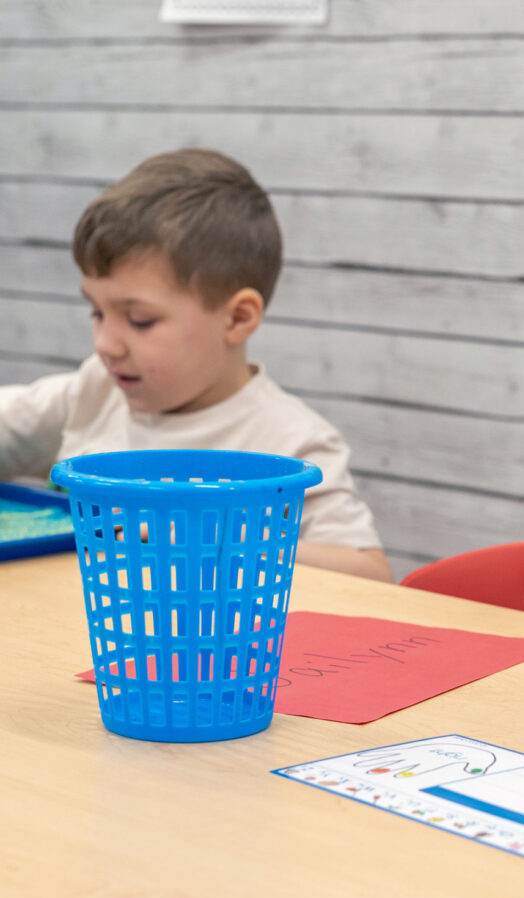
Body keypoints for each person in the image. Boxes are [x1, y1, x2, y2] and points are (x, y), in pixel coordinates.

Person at [0, 148, 393, 582]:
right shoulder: (97, 389)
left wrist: (206, 535)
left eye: (139, 320)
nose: (105, 344)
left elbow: (371, 573)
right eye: (96, 312)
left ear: (238, 318)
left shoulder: (292, 443)